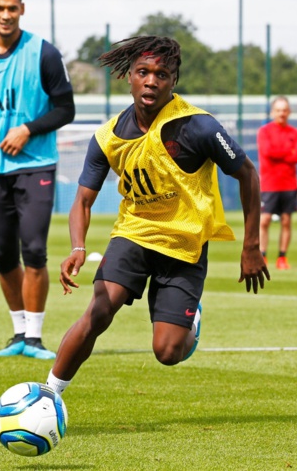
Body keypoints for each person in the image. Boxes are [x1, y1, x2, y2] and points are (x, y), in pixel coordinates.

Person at [44, 36, 269, 398]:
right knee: (99, 309)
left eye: (162, 74)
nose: (151, 81)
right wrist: (77, 246)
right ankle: (47, 394)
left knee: (167, 352)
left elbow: (248, 174)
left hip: (185, 244)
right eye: (143, 72)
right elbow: (83, 200)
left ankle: (190, 321)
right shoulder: (108, 137)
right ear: (129, 77)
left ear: (173, 80)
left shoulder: (199, 127)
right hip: (134, 235)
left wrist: (251, 245)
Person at [0, 0, 75, 360]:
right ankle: (17, 333)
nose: (6, 15)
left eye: (13, 8)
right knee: (2, 255)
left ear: (22, 10)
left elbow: (66, 109)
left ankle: (35, 337)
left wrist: (28, 129)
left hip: (36, 166)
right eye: (0, 8)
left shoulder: (42, 53)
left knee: (34, 249)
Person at [256, 95, 297, 270]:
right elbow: (268, 152)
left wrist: (281, 153)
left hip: (289, 183)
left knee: (286, 220)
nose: (281, 113)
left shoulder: (295, 133)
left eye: (284, 110)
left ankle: (282, 258)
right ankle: (262, 256)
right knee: (265, 220)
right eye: (278, 110)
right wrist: (287, 151)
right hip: (269, 183)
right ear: (272, 112)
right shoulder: (264, 131)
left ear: (289, 112)